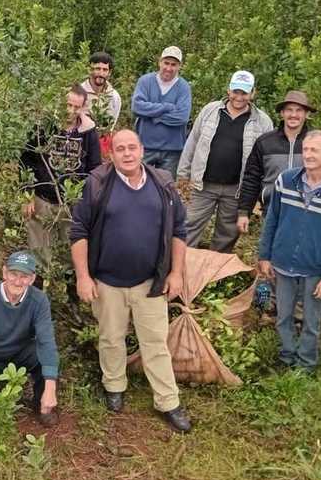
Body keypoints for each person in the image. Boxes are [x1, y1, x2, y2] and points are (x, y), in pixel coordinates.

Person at [70, 129, 192, 433]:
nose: (127, 153)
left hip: (149, 283)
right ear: (111, 154)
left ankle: (168, 401)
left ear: (142, 150)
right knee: (110, 338)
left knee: (156, 344)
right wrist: (83, 277)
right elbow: (79, 231)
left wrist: (176, 273)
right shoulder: (97, 184)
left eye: (132, 147)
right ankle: (114, 386)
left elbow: (179, 230)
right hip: (107, 282)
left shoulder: (162, 184)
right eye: (120, 148)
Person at [257, 130, 321, 372]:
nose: (308, 155)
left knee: (311, 320)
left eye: (314, 150)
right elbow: (272, 220)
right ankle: (287, 356)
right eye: (305, 149)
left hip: (315, 268)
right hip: (283, 262)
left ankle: (306, 364)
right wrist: (265, 255)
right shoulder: (286, 180)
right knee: (283, 316)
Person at [177, 70, 273, 252]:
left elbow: (264, 161)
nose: (239, 97)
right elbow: (192, 142)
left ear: (253, 93)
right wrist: (183, 174)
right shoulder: (210, 111)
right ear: (229, 90)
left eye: (244, 93)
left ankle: (215, 268)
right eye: (236, 91)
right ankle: (180, 264)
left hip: (236, 190)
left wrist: (259, 194)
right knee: (189, 227)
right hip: (203, 185)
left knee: (226, 235)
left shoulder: (263, 122)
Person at [20, 85, 102, 292]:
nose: (71, 111)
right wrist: (27, 194)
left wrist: (88, 202)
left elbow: (94, 168)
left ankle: (71, 293)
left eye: (76, 107)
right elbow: (26, 160)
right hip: (42, 196)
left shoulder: (88, 132)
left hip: (72, 201)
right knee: (39, 248)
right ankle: (37, 292)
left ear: (82, 108)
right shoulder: (43, 127)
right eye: (68, 105)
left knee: (71, 248)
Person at [0, 250, 60, 427]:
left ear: (32, 279)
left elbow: (46, 340)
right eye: (13, 274)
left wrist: (51, 386)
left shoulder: (39, 300)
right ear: (4, 273)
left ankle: (43, 405)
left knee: (45, 358)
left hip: (21, 353)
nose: (17, 281)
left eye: (24, 276)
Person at [237, 90, 321, 235]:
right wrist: (244, 212)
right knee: (270, 249)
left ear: (306, 114)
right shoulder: (265, 142)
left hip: (311, 213)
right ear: (282, 113)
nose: (293, 114)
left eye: (299, 110)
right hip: (272, 212)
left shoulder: (319, 143)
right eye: (289, 110)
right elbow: (251, 178)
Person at [131, 46, 192, 176]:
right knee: (138, 182)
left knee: (165, 186)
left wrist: (154, 116)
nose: (169, 68)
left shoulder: (184, 87)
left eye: (173, 64)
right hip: (144, 146)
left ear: (180, 66)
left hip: (172, 150)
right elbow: (137, 107)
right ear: (160, 62)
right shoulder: (145, 81)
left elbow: (182, 117)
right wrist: (166, 107)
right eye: (166, 63)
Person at [80, 51, 122, 131]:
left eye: (105, 70)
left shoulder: (114, 97)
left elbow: (110, 127)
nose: (101, 73)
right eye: (97, 69)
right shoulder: (79, 93)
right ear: (90, 69)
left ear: (109, 72)